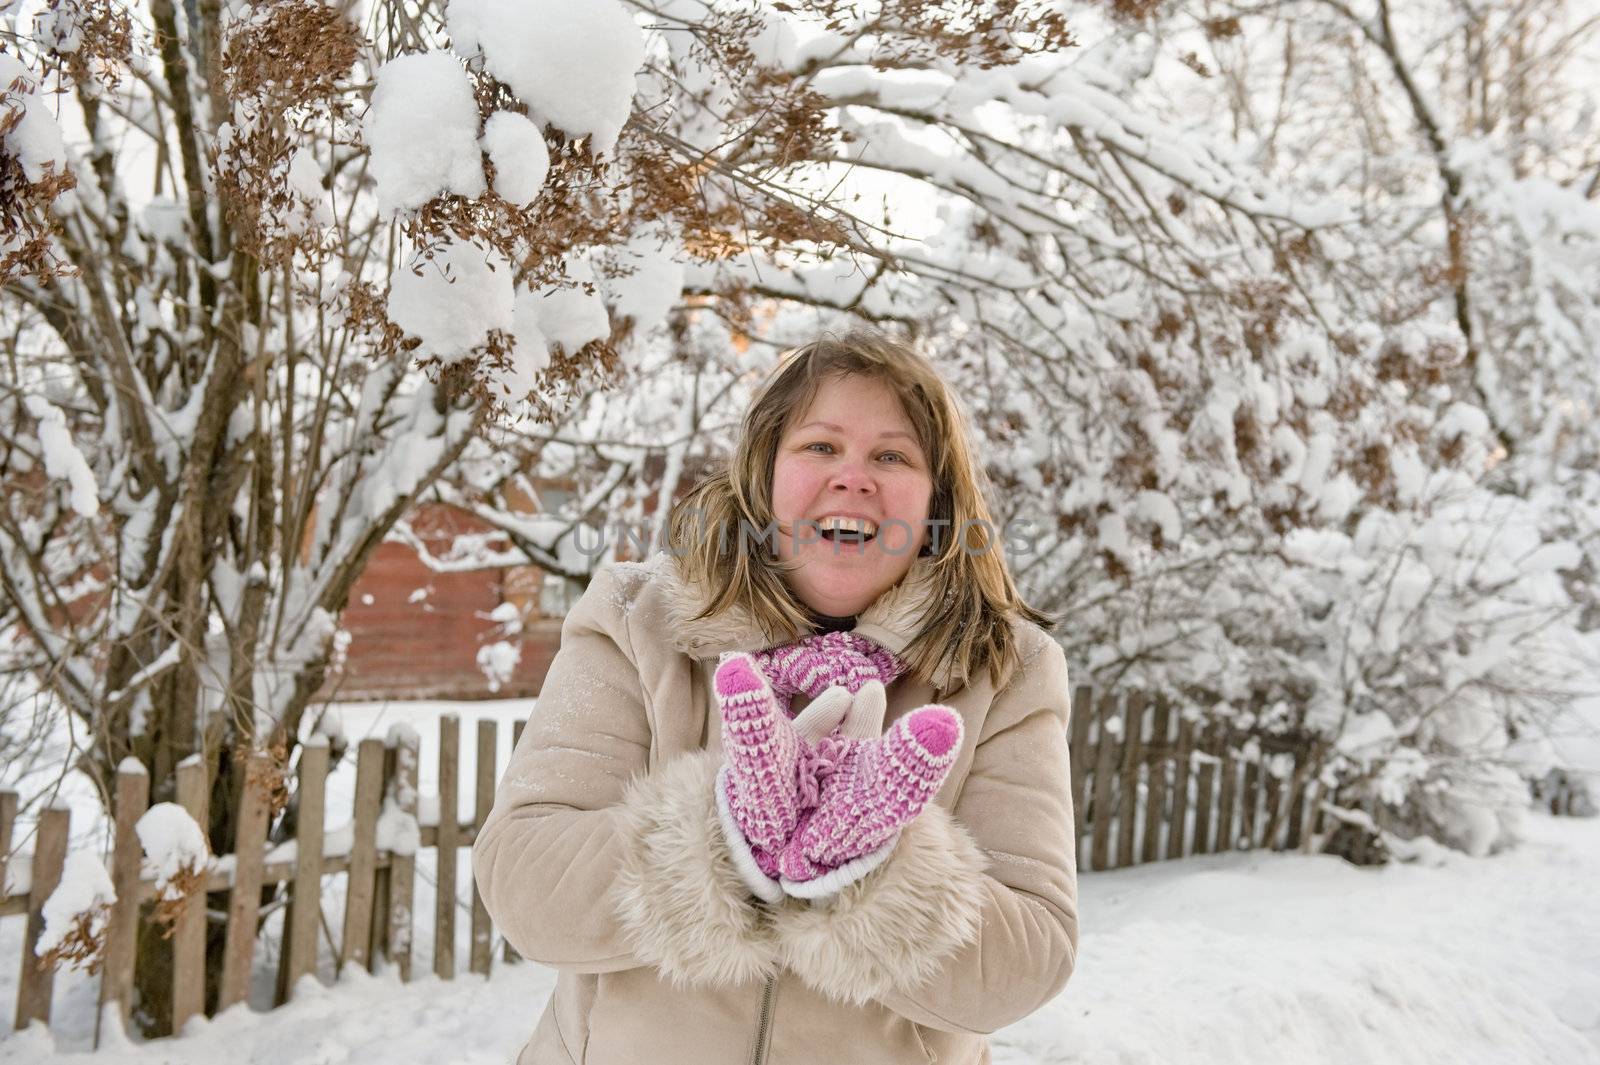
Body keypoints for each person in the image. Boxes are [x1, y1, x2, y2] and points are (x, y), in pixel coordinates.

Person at [473, 331, 1079, 1065]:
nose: (854, 478)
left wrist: (871, 861)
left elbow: (1031, 955)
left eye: (893, 455)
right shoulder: (639, 622)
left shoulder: (1005, 669)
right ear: (763, 474)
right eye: (820, 446)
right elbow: (526, 879)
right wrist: (724, 836)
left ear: (937, 503)